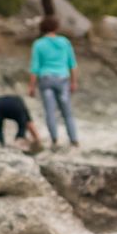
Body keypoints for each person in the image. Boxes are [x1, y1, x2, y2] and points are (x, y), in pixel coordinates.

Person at [30, 15, 80, 148]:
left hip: (46, 80)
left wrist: (31, 87)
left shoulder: (38, 44)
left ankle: (54, 140)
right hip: (63, 80)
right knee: (67, 113)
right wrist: (74, 82)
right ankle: (74, 140)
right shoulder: (64, 42)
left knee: (50, 112)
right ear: (56, 27)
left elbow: (35, 68)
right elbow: (73, 64)